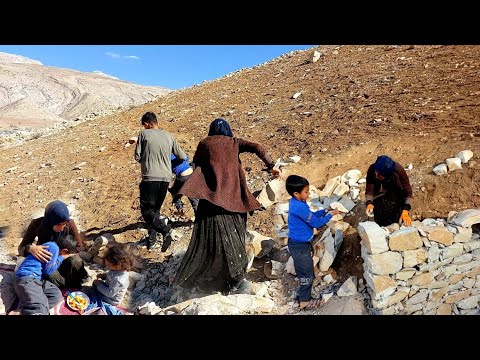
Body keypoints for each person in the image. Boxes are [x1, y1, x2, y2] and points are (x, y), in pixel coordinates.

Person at [174, 118, 280, 294]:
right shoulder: (234, 142)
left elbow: (197, 164)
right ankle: (236, 278)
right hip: (234, 200)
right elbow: (258, 148)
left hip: (210, 201)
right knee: (234, 237)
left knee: (210, 240)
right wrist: (271, 166)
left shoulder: (205, 143)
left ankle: (210, 277)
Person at [286, 175, 340, 310]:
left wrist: (324, 211)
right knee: (306, 274)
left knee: (306, 270)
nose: (309, 193)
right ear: (296, 193)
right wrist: (330, 215)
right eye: (306, 192)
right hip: (299, 246)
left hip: (300, 244)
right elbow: (316, 223)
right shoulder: (299, 207)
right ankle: (304, 302)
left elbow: (310, 216)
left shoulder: (298, 203)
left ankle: (305, 294)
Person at [134, 111, 187, 251]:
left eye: (145, 126)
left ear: (147, 124)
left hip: (150, 178)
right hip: (165, 179)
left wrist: (149, 158)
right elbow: (182, 156)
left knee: (147, 212)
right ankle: (151, 241)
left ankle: (166, 231)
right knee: (155, 211)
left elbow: (138, 157)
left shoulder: (143, 134)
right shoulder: (169, 136)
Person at [18, 200, 88, 289]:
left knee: (75, 261)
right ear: (50, 220)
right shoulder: (37, 224)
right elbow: (21, 248)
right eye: (58, 224)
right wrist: (30, 248)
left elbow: (79, 247)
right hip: (49, 262)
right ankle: (65, 286)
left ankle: (74, 283)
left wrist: (63, 255)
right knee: (52, 275)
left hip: (65, 258)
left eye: (64, 224)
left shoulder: (70, 224)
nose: (62, 228)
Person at [13, 234, 77, 315]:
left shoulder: (52, 245)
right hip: (26, 278)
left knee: (56, 294)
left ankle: (23, 311)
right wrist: (61, 258)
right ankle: (36, 310)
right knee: (40, 310)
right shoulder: (54, 248)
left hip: (36, 280)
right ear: (64, 251)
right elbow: (48, 271)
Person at [364, 155, 413, 227]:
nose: (376, 176)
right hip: (380, 194)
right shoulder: (372, 169)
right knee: (380, 217)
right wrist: (369, 203)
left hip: (397, 193)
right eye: (376, 172)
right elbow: (369, 190)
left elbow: (408, 193)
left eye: (380, 175)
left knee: (398, 216)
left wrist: (406, 210)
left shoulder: (398, 171)